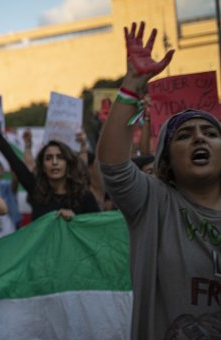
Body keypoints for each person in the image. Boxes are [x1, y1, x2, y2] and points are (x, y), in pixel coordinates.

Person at [97, 21, 220, 339]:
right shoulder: (154, 203)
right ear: (166, 158)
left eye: (210, 133)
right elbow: (114, 166)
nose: (199, 139)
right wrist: (132, 85)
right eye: (184, 135)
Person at [0, 96, 100, 220]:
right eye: (48, 158)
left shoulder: (84, 196)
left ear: (68, 163)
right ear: (42, 166)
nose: (55, 162)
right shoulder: (37, 191)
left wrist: (76, 220)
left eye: (60, 157)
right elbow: (13, 159)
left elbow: (96, 226)